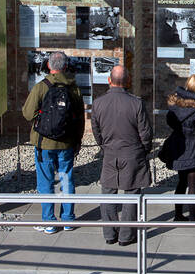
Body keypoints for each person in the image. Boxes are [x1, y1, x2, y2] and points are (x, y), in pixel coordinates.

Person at [21, 51, 85, 233]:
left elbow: (27, 114)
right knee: (66, 178)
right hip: (66, 143)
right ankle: (68, 219)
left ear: (49, 66)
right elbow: (79, 118)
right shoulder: (74, 88)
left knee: (46, 181)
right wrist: (77, 140)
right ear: (65, 67)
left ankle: (49, 220)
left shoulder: (41, 87)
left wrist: (40, 118)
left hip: (44, 143)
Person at [90, 65, 153, 246]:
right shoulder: (136, 103)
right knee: (131, 194)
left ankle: (110, 233)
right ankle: (126, 235)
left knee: (108, 193)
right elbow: (145, 133)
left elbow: (96, 131)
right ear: (128, 82)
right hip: (132, 152)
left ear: (109, 80)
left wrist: (104, 146)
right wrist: (144, 149)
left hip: (111, 152)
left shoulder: (98, 103)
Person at [166, 76, 195, 222]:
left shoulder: (176, 103)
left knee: (181, 182)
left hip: (180, 146)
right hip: (194, 148)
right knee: (193, 184)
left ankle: (178, 214)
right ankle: (193, 216)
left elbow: (170, 120)